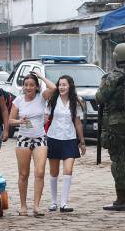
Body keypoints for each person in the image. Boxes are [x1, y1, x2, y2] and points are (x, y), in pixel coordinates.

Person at [8, 70, 56, 217]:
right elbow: (10, 121)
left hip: (40, 139)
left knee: (40, 172)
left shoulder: (42, 97)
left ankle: (36, 206)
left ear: (36, 87)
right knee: (23, 174)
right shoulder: (18, 101)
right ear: (23, 87)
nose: (28, 88)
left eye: (31, 85)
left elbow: (53, 88)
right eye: (26, 85)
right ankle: (23, 205)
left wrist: (41, 76)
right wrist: (19, 121)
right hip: (23, 139)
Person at [96, 43, 125, 212]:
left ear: (116, 57)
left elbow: (100, 97)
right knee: (124, 157)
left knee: (117, 160)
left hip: (114, 123)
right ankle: (123, 194)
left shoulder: (113, 77)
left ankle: (121, 200)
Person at [46, 75, 86, 213]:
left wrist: (82, 141)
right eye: (60, 84)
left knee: (68, 170)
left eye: (65, 85)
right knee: (54, 172)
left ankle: (64, 203)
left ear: (70, 86)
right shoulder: (53, 100)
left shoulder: (76, 101)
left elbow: (78, 122)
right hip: (53, 138)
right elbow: (45, 118)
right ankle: (53, 201)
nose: (62, 87)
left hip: (70, 139)